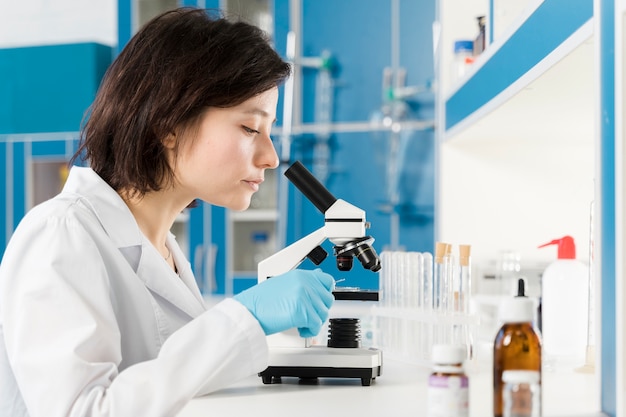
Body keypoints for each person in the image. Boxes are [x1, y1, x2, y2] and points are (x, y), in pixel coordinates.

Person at [0, 7, 335, 417]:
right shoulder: (61, 234)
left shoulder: (162, 248)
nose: (271, 156)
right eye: (250, 128)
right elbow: (81, 411)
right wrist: (243, 317)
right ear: (168, 125)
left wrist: (251, 328)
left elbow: (172, 380)